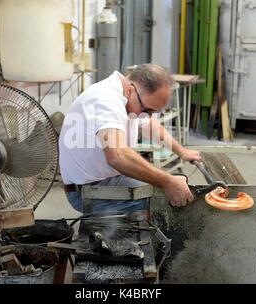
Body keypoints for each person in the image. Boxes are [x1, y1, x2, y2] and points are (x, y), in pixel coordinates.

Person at [58, 64, 201, 213]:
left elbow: (149, 125)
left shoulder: (128, 95)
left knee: (166, 192)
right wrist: (168, 182)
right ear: (129, 91)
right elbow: (118, 156)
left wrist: (181, 151)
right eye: (147, 110)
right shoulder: (105, 101)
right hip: (86, 192)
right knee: (163, 205)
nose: (148, 115)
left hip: (110, 180)